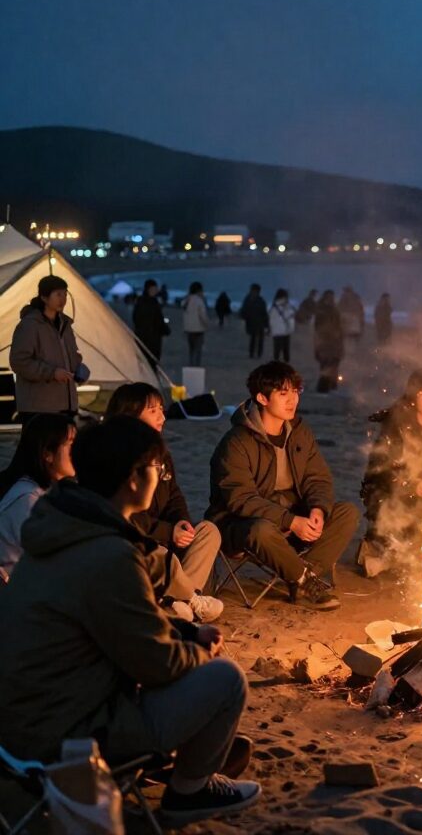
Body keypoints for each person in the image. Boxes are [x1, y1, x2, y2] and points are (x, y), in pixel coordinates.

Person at [0, 417, 261, 825]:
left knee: (184, 652)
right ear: (134, 480)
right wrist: (198, 649)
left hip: (17, 720)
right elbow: (156, 664)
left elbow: (112, 623)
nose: (160, 475)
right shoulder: (108, 556)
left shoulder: (61, 525)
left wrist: (186, 632)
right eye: (155, 468)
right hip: (62, 736)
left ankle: (179, 755)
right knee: (225, 680)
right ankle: (187, 793)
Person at [207, 361, 359, 610]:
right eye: (283, 393)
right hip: (239, 524)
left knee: (347, 513)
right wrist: (290, 521)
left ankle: (301, 574)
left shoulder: (299, 432)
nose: (292, 400)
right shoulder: (236, 443)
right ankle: (305, 579)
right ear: (262, 398)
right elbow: (241, 500)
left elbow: (317, 478)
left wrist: (317, 510)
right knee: (261, 530)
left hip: (291, 516)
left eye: (295, 392)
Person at [106, 383, 223, 622]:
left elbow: (174, 495)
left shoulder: (160, 452)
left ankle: (177, 602)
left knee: (208, 531)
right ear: (131, 414)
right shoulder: (117, 457)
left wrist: (181, 523)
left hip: (167, 539)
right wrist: (168, 532)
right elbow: (124, 515)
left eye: (162, 408)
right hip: (138, 543)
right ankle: (188, 599)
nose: (162, 416)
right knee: (157, 552)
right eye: (153, 410)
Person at [358, 368, 422, 577]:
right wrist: (413, 486)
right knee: (414, 533)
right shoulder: (395, 427)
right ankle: (384, 550)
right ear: (414, 396)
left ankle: (402, 554)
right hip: (395, 498)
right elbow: (380, 472)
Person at [0, 414, 76, 573]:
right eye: (70, 444)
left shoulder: (41, 492)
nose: (76, 451)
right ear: (47, 453)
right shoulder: (28, 500)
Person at [9, 274, 89, 422]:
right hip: (39, 406)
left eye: (65, 294)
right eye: (58, 294)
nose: (63, 299)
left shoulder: (65, 325)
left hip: (66, 404)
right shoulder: (30, 325)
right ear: (44, 298)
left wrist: (78, 368)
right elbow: (19, 362)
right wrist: (51, 373)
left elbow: (71, 355)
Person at [313, 290, 344, 392]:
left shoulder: (334, 310)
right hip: (325, 341)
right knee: (326, 364)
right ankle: (324, 386)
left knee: (333, 363)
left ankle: (331, 384)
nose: (331, 300)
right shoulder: (322, 311)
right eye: (329, 298)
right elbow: (318, 327)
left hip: (333, 341)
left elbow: (339, 326)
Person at [133, 278, 169, 364]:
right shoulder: (152, 302)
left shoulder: (142, 301)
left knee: (146, 360)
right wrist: (165, 329)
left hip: (145, 336)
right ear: (149, 289)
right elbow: (158, 319)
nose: (155, 291)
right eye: (153, 289)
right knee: (151, 360)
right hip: (151, 337)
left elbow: (135, 317)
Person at [182, 281, 209, 367]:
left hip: (188, 329)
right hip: (198, 329)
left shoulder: (186, 300)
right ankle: (195, 366)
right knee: (197, 350)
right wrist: (206, 324)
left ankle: (191, 365)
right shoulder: (199, 301)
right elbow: (203, 315)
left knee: (191, 349)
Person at [239, 284, 269, 360]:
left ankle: (254, 353)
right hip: (256, 322)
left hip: (253, 322)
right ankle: (256, 353)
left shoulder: (249, 299)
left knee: (255, 339)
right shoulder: (259, 300)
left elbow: (243, 311)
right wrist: (266, 324)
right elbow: (264, 313)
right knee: (256, 339)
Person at [268, 288, 296, 363]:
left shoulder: (275, 306)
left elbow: (271, 319)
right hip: (283, 330)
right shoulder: (283, 306)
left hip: (280, 331)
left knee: (278, 348)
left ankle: (278, 361)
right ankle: (283, 362)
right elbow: (288, 315)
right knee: (284, 348)